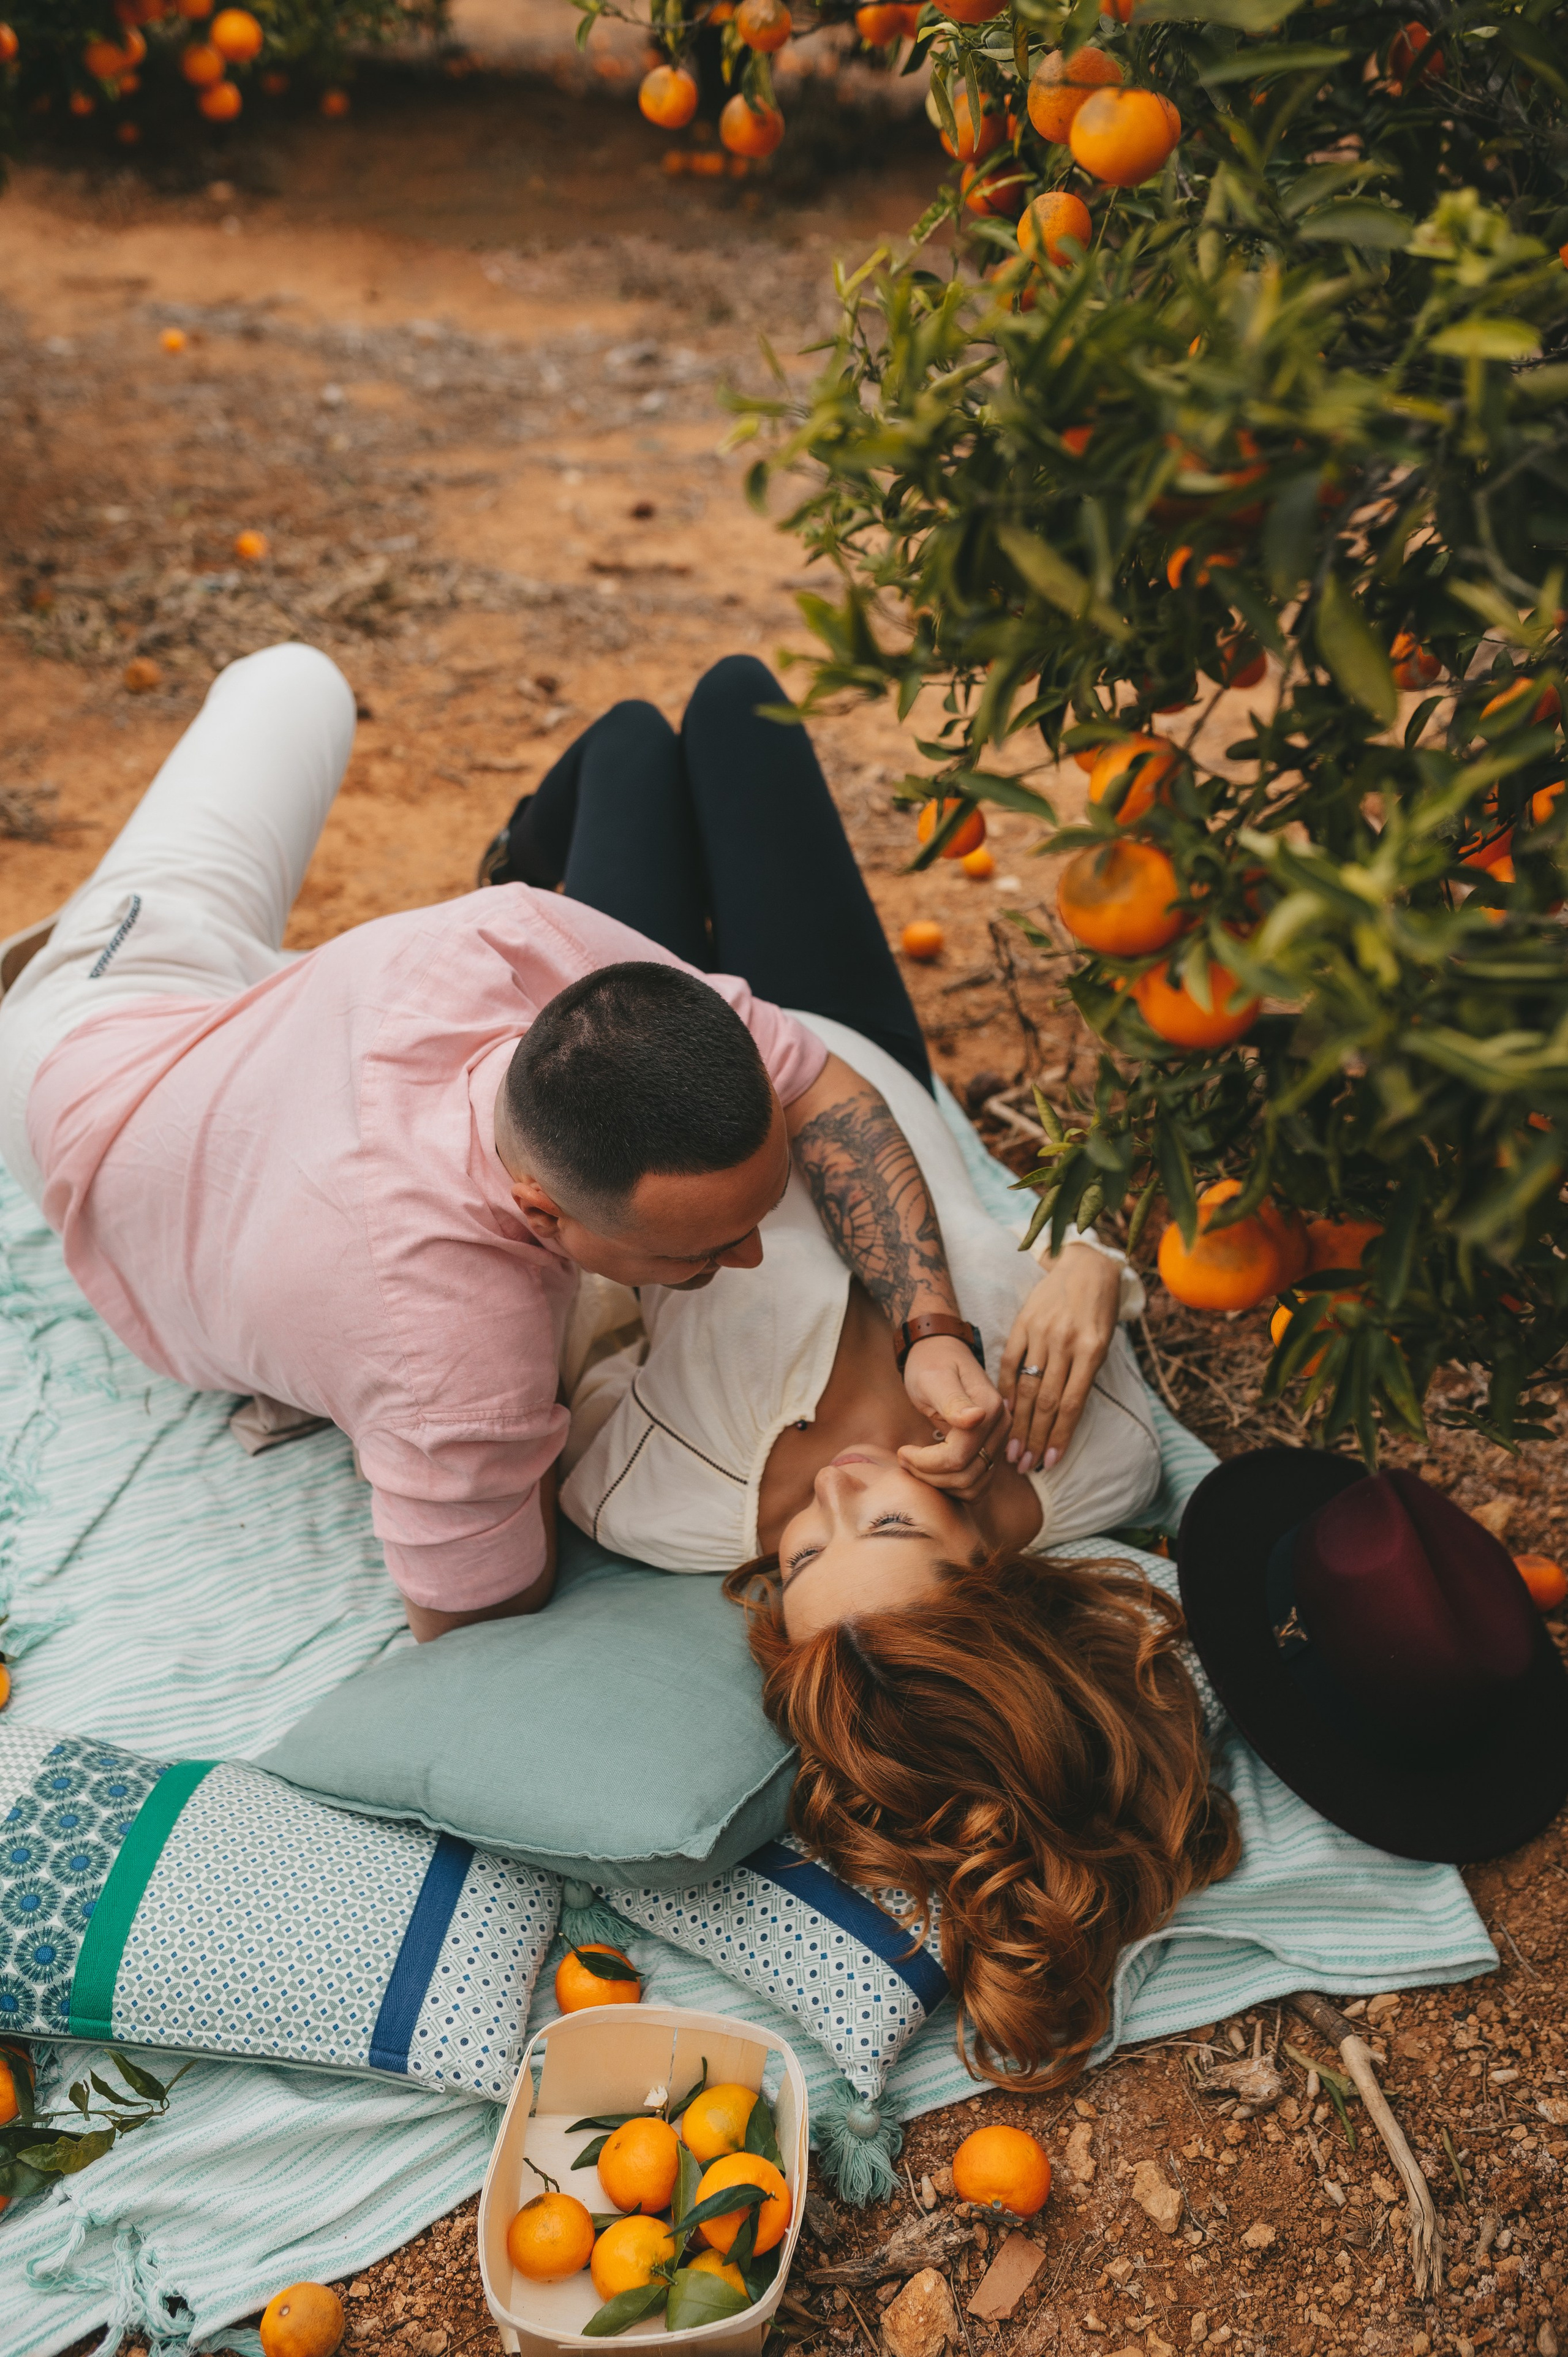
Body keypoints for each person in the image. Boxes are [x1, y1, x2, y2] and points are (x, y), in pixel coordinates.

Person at [496, 657, 1236, 2089]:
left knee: (632, 750)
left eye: (799, 1550)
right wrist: (1099, 1272)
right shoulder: (1084, 1457)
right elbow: (1045, 1242)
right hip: (863, 1069)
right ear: (989, 1550)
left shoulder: (659, 1501)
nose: (833, 1490)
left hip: (660, 1087)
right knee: (735, 703)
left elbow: (545, 1335)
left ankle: (520, 869)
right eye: (883, 1520)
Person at [0, 643, 1007, 1643]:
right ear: (541, 1213)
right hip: (100, 1040)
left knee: (296, 683)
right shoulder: (447, 1363)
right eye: (698, 1251)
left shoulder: (529, 940)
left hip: (262, 1047)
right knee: (280, 698)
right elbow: (477, 1622)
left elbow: (821, 1085)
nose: (748, 1254)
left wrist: (932, 1327)